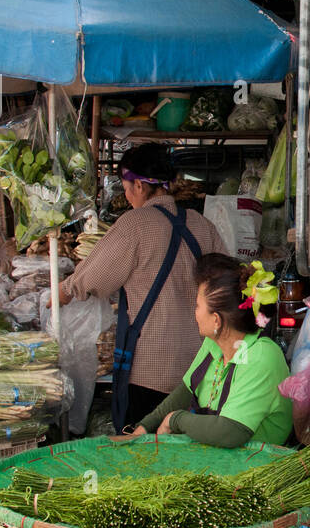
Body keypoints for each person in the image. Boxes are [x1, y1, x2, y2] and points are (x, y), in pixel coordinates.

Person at [59, 144, 224, 431]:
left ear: (138, 184)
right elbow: (227, 281)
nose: (126, 195)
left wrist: (58, 293)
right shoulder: (202, 225)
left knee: (145, 451)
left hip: (150, 372)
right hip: (201, 369)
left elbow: (90, 280)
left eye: (126, 188)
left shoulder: (134, 224)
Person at [133, 253, 291, 447]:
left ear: (216, 319)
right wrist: (143, 429)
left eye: (198, 306)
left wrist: (175, 419)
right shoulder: (213, 345)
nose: (195, 312)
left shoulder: (260, 356)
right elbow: (185, 392)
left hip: (256, 467)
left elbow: (230, 432)